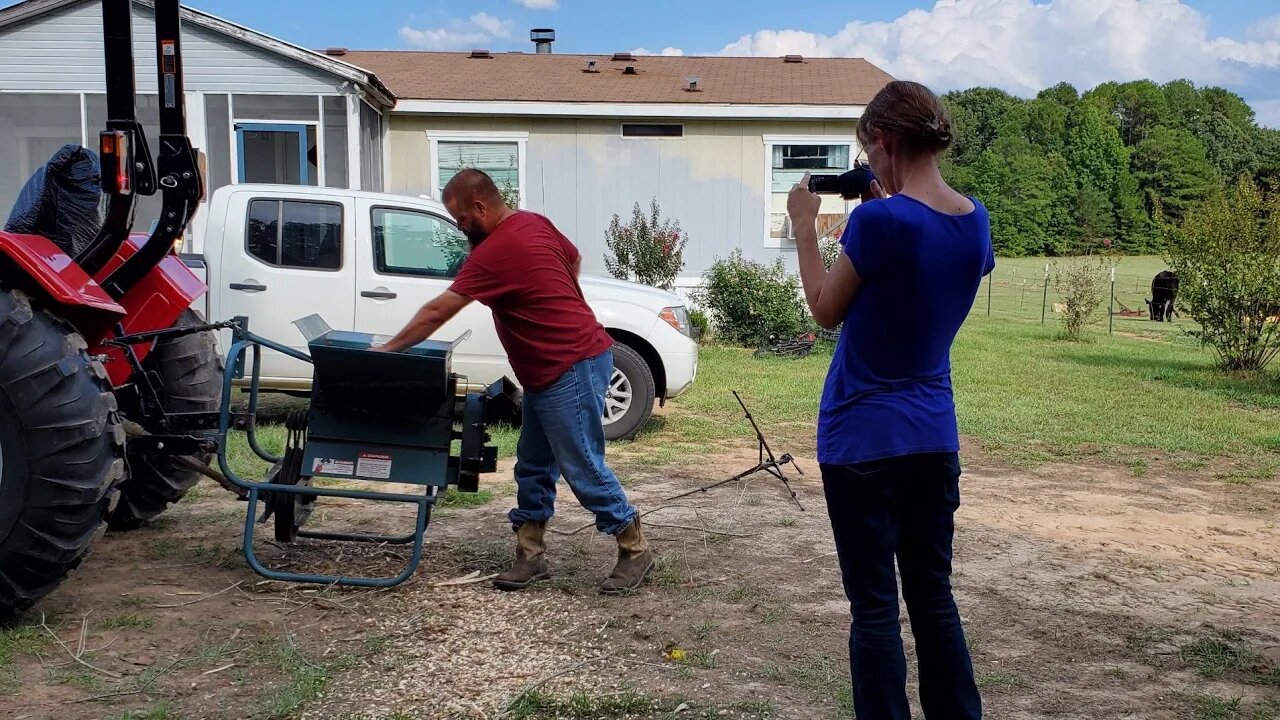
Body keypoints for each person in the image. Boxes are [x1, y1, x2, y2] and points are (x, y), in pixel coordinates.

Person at [785, 80, 992, 720]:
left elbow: (824, 310)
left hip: (861, 440)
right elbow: (921, 272)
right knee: (933, 596)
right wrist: (884, 209)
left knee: (874, 606)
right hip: (934, 437)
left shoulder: (878, 220)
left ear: (885, 142)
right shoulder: (975, 220)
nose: (867, 167)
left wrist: (803, 228)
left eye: (868, 153)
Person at [373, 169, 654, 595]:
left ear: (480, 207)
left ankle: (634, 549)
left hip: (571, 364)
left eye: (462, 219)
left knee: (582, 465)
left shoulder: (496, 250)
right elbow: (573, 257)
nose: (460, 228)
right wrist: (557, 298)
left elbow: (438, 310)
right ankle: (530, 555)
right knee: (533, 464)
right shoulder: (533, 223)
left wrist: (388, 351)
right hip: (550, 369)